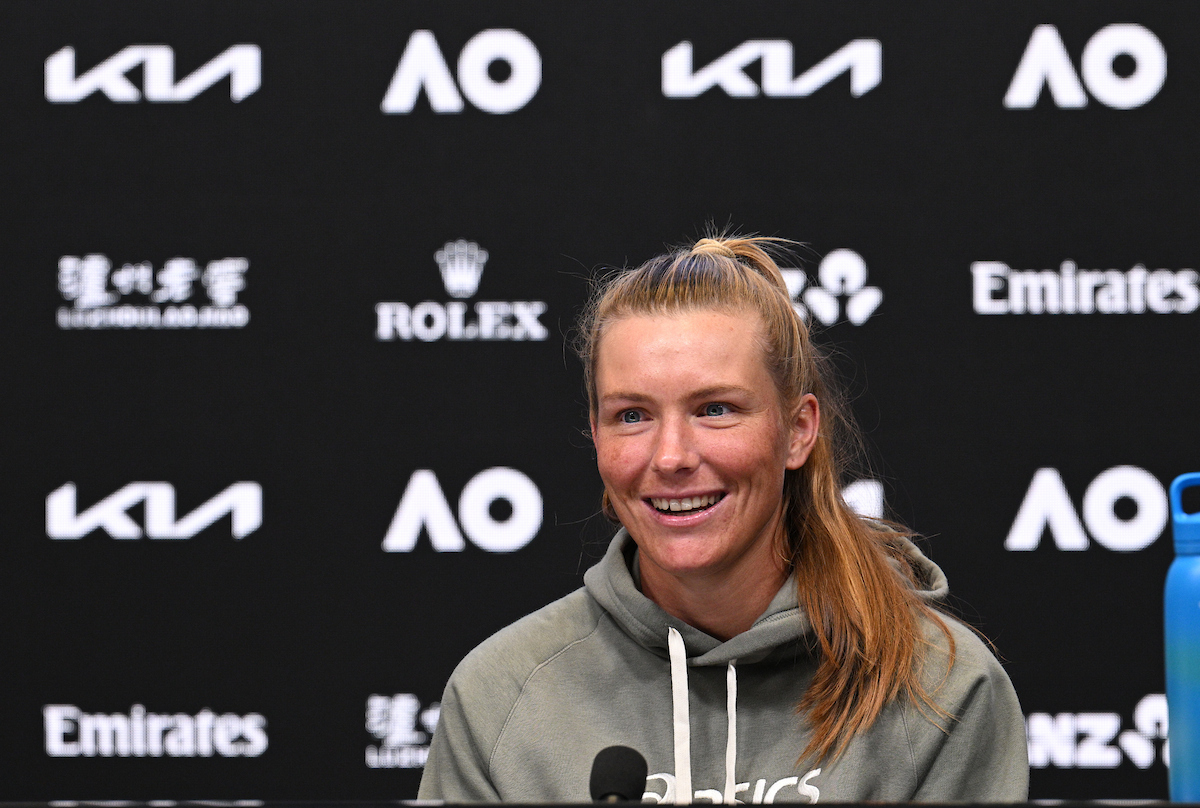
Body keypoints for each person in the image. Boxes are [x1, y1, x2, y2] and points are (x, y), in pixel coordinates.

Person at [418, 235, 1028, 803]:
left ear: (797, 431)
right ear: (596, 435)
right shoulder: (499, 697)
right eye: (632, 415)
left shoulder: (941, 689)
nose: (672, 457)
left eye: (715, 409)